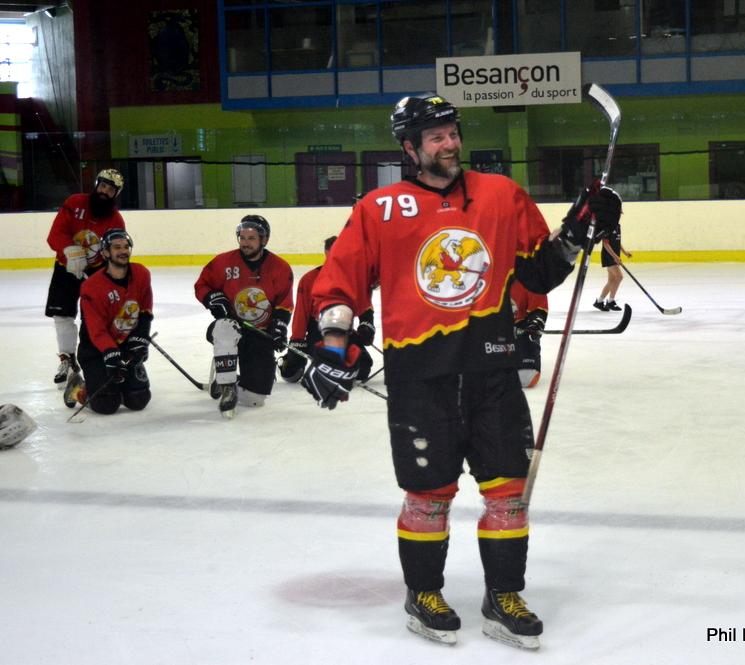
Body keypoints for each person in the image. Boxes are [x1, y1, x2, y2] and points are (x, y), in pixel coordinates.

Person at [300, 93, 622, 649]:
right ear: (410, 148)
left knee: (509, 493)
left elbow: (539, 273)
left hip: (490, 370)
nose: (449, 143)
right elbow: (342, 279)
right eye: (435, 136)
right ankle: (423, 593)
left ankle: (504, 596)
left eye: (452, 132)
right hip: (419, 375)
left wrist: (578, 230)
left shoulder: (501, 195)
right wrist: (333, 344)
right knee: (428, 495)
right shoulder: (379, 208)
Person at [194, 214, 293, 418]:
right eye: (242, 238)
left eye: (251, 238)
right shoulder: (223, 262)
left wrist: (279, 327)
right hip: (232, 327)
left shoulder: (280, 267)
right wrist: (211, 297)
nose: (245, 243)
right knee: (224, 327)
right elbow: (202, 284)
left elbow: (284, 303)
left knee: (255, 400)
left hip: (259, 332)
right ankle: (227, 386)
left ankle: (229, 382)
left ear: (264, 240)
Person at [45, 168, 127, 385]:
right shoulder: (74, 203)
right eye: (103, 186)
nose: (105, 191)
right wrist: (69, 250)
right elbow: (56, 233)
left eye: (111, 189)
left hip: (97, 274)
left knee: (93, 318)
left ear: (115, 194)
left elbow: (118, 249)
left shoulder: (116, 219)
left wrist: (114, 276)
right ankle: (67, 359)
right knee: (62, 315)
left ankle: (93, 357)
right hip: (66, 267)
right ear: (96, 184)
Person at [64, 228, 153, 415]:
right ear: (105, 252)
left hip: (125, 345)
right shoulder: (91, 287)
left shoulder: (141, 273)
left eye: (126, 246)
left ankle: (117, 385)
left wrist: (140, 338)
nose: (123, 251)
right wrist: (110, 353)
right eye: (116, 247)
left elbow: (145, 311)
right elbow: (96, 329)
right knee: (107, 404)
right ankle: (78, 388)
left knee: (138, 399)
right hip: (96, 349)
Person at [278, 235, 375, 384]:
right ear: (326, 254)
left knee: (363, 369)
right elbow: (301, 313)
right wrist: (297, 339)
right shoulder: (309, 279)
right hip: (318, 332)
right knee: (291, 373)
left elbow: (365, 306)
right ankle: (284, 362)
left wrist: (367, 325)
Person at [509, 280, 547, 389]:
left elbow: (538, 308)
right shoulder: (486, 274)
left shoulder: (529, 276)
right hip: (491, 332)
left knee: (526, 377)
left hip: (521, 327)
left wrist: (535, 324)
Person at [593, 221, 630, 312]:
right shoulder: (607, 226)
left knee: (612, 280)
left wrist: (624, 252)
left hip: (614, 256)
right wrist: (615, 256)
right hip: (608, 256)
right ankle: (610, 301)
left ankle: (599, 301)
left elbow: (617, 242)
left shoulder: (617, 226)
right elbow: (605, 244)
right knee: (619, 276)